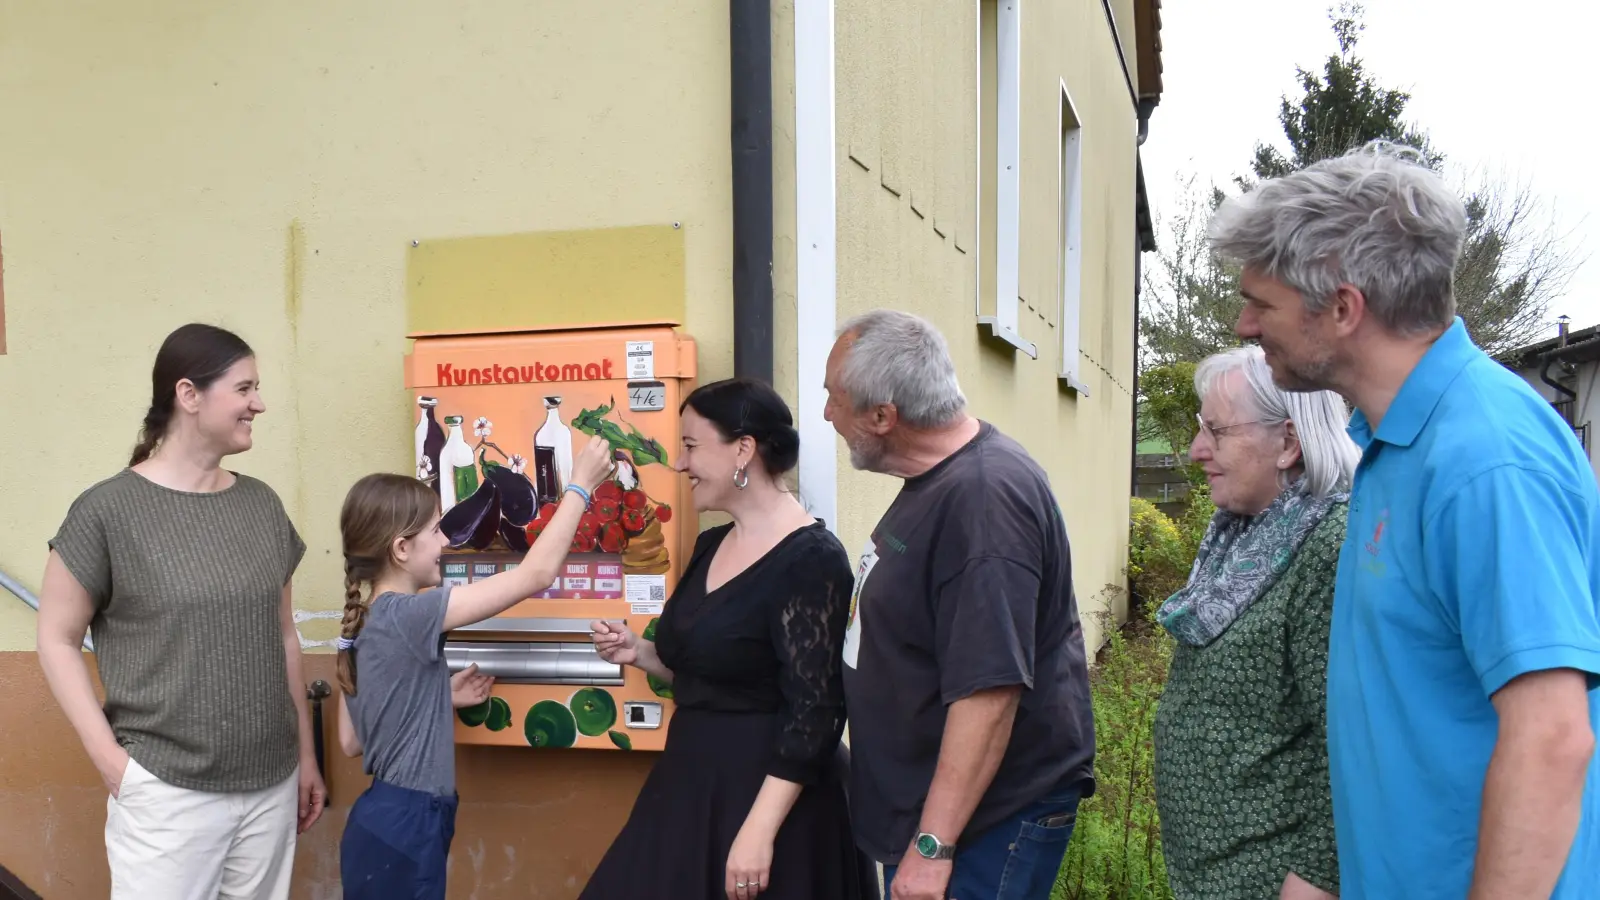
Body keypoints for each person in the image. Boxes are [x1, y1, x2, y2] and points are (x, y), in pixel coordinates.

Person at [1209, 140, 1600, 898]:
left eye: (1262, 302)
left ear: (1344, 309)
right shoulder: (1398, 445)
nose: (1244, 325)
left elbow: (1552, 736)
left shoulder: (1486, 457)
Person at [35, 323, 326, 899]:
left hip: (271, 784)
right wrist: (112, 763)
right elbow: (55, 638)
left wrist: (306, 757)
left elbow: (283, 639)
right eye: (244, 389)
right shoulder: (107, 511)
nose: (258, 404)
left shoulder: (261, 505)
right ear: (189, 395)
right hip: (166, 791)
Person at [823, 309, 1096, 900]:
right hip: (939, 812)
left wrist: (933, 845)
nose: (827, 416)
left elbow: (989, 693)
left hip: (984, 824)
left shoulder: (983, 501)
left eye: (834, 400)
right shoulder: (942, 478)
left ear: (882, 416)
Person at [582, 377, 872, 900]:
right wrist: (641, 653)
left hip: (776, 803)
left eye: (692, 446)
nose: (679, 463)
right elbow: (720, 672)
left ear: (744, 449)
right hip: (690, 783)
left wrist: (760, 831)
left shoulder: (812, 560)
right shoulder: (711, 544)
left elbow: (817, 713)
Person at [333, 434, 612, 899]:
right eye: (436, 530)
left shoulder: (365, 621)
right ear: (401, 549)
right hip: (408, 823)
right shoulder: (410, 613)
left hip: (379, 823)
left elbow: (351, 740)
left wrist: (437, 695)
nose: (447, 539)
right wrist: (580, 487)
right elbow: (535, 575)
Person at [1152, 345, 1357, 900]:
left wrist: (1316, 878)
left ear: (1288, 442)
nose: (1197, 450)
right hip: (1210, 873)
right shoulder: (1241, 536)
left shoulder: (1328, 549)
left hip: (1270, 882)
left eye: (1216, 431)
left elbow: (1347, 743)